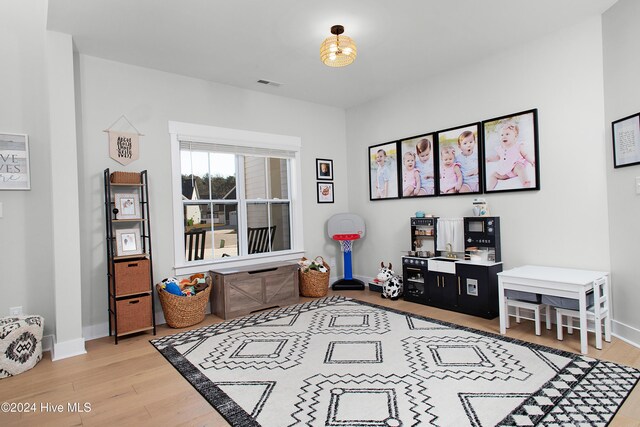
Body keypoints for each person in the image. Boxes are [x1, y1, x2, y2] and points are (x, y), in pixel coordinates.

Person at [486, 121, 535, 190]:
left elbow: (525, 155)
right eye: (502, 135)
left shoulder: (517, 146)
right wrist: (488, 159)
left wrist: (531, 161)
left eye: (507, 134)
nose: (504, 136)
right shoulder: (500, 148)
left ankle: (525, 182)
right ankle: (489, 188)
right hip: (505, 171)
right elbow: (497, 157)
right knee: (493, 175)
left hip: (514, 168)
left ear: (515, 136)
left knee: (520, 167)